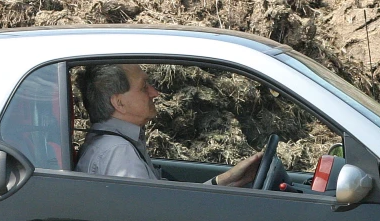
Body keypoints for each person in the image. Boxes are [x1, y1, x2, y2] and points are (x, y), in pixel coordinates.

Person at [76, 64, 262, 186]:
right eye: (143, 87)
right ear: (119, 103)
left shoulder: (117, 145)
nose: (154, 93)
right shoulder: (118, 152)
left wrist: (225, 181)